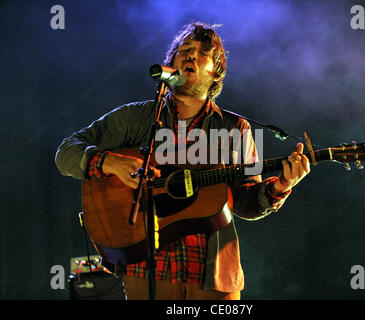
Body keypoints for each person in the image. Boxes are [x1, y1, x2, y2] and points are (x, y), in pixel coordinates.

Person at [55, 22, 310, 300]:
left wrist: (282, 184)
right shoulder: (135, 118)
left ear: (216, 74)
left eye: (202, 53)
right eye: (184, 50)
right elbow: (66, 153)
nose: (190, 55)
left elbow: (247, 204)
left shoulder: (236, 128)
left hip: (212, 271)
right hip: (146, 265)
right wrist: (110, 163)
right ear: (171, 65)